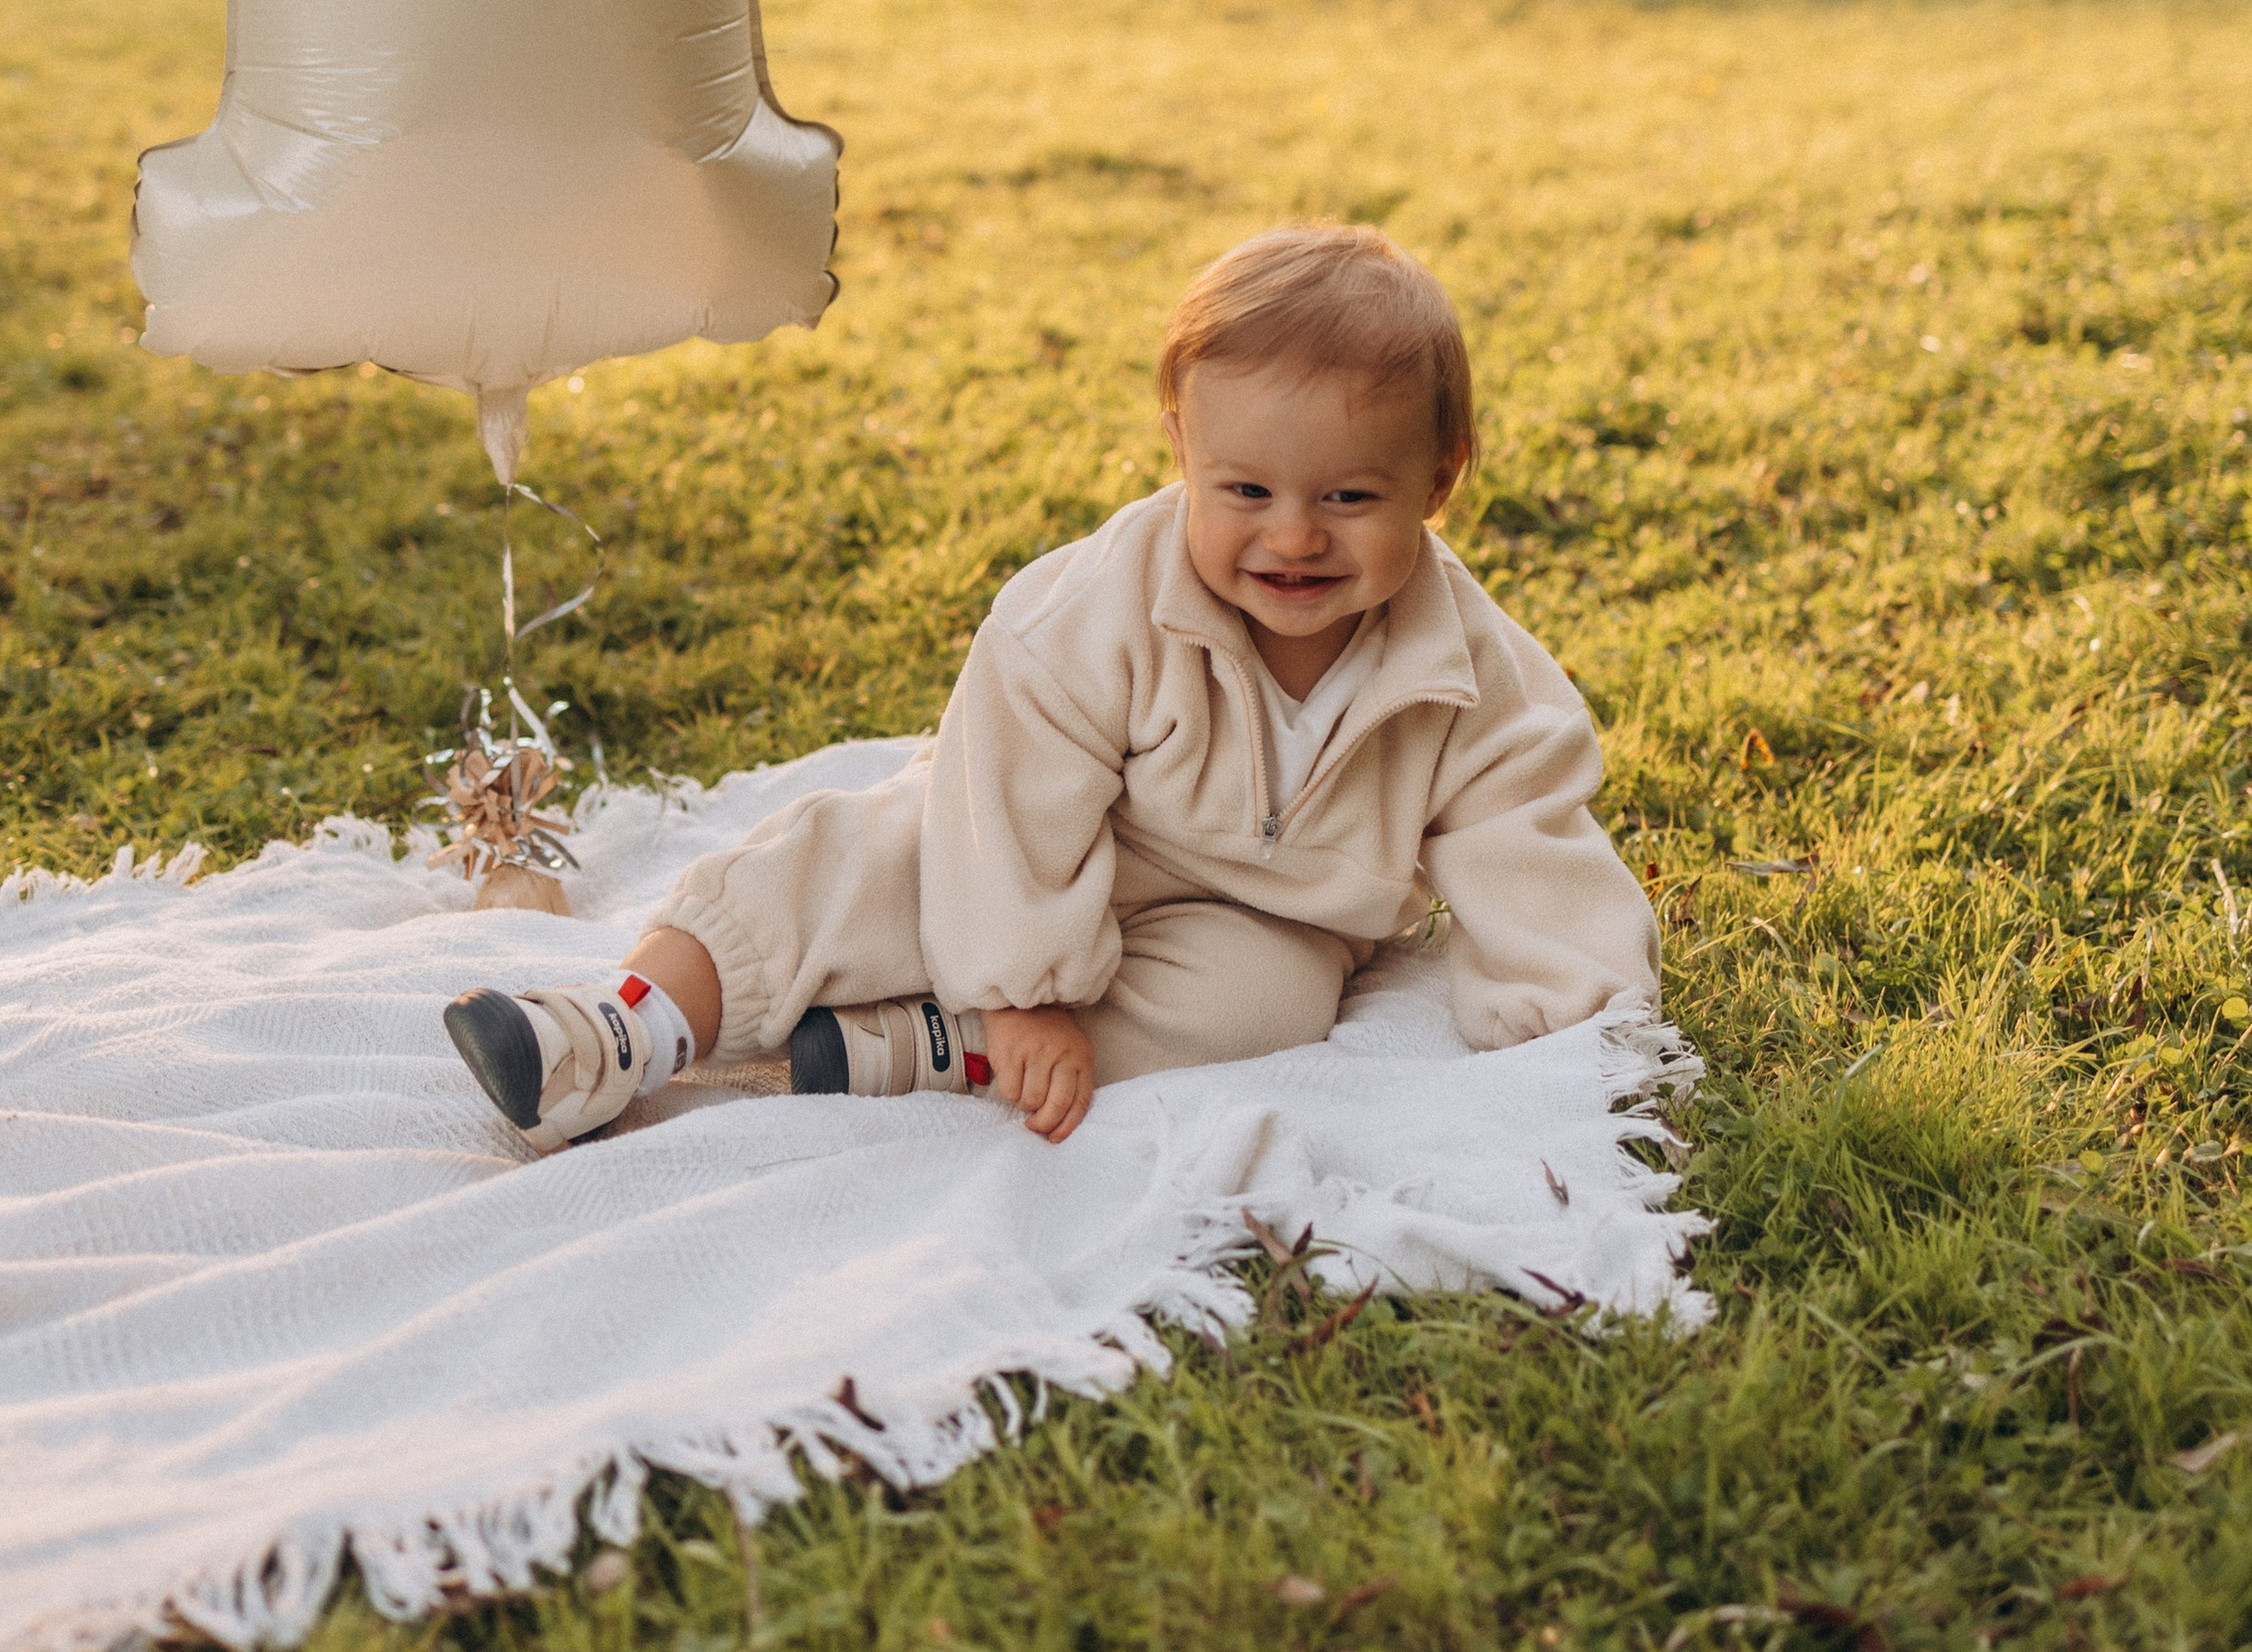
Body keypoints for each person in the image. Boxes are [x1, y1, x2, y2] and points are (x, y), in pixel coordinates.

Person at [442, 226, 1657, 1155]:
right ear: (1182, 450)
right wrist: (1022, 981)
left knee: (1267, 1004)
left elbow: (1526, 833)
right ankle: (624, 1028)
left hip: (1255, 909)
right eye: (1245, 492)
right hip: (1026, 837)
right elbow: (1013, 795)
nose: (1293, 537)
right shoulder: (1091, 613)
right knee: (864, 865)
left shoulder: (1463, 670)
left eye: (1348, 498)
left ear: (1438, 481)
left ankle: (914, 1050)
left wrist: (1575, 1017)